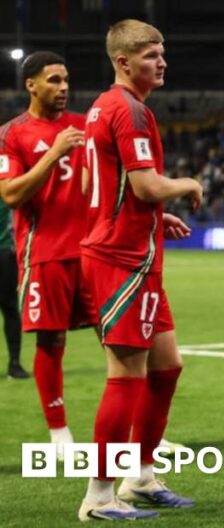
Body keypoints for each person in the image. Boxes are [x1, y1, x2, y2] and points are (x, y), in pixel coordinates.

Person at [78, 19, 202, 520]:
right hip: (120, 261)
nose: (162, 61)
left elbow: (105, 179)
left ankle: (142, 477)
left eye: (163, 52)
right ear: (124, 62)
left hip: (135, 256)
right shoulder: (128, 110)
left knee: (166, 367)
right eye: (152, 54)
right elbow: (147, 185)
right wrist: (185, 184)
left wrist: (152, 214)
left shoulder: (104, 108)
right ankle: (99, 496)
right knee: (125, 376)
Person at [0, 51, 93, 456]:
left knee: (121, 340)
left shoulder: (84, 124)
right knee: (51, 341)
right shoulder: (12, 134)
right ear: (31, 85)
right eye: (54, 80)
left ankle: (142, 437)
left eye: (66, 79)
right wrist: (54, 153)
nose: (64, 87)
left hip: (93, 251)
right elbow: (10, 193)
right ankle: (59, 434)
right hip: (46, 253)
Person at [0, 198, 27, 379]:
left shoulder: (7, 180)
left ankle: (14, 363)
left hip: (5, 250)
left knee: (10, 308)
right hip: (6, 250)